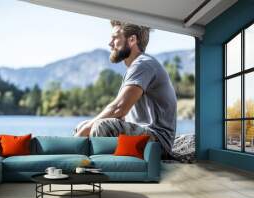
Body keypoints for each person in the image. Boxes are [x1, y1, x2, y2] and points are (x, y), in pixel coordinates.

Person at [73, 20, 177, 156]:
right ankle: (80, 163)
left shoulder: (143, 64)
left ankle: (98, 172)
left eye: (115, 37)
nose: (110, 43)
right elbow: (124, 115)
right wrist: (84, 128)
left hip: (158, 141)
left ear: (132, 39)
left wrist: (85, 130)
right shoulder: (136, 67)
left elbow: (118, 108)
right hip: (143, 133)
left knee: (99, 126)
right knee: (82, 125)